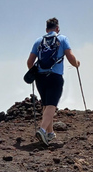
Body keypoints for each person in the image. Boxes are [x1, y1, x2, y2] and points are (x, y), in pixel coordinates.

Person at [26, 17, 80, 146]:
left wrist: (37, 72)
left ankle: (50, 133)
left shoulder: (38, 41)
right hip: (55, 76)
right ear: (57, 28)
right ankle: (43, 130)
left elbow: (29, 63)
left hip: (40, 78)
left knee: (46, 104)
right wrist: (77, 64)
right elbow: (70, 57)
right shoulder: (62, 39)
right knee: (51, 105)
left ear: (46, 29)